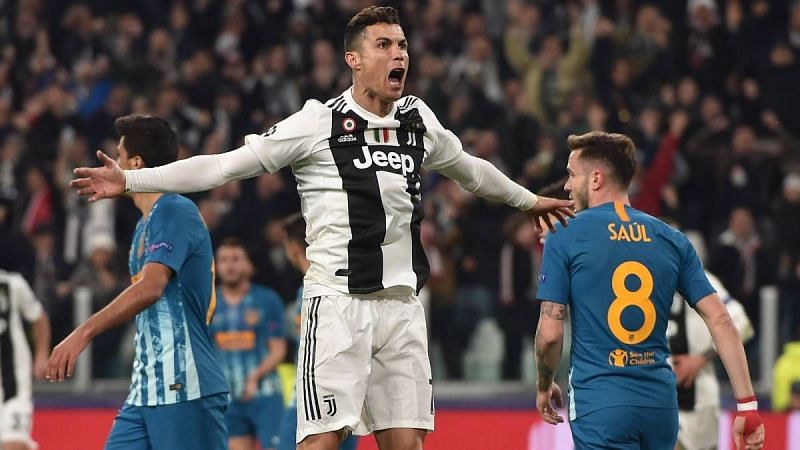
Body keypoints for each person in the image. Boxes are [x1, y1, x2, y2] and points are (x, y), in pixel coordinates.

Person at [69, 7, 574, 450]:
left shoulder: (417, 118)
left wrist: (527, 200)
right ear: (354, 59)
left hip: (402, 307)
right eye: (384, 45)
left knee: (406, 442)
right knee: (321, 442)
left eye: (402, 45)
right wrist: (132, 178)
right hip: (337, 305)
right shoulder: (318, 123)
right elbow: (222, 167)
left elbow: (469, 168)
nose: (399, 54)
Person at [533, 131, 764, 450]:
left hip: (601, 402)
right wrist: (748, 407)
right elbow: (722, 321)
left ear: (596, 178)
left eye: (572, 175)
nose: (567, 186)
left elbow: (550, 333)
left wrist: (544, 384)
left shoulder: (565, 236)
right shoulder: (672, 239)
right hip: (660, 405)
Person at [47, 114, 229, 450]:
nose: (113, 164)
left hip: (184, 386)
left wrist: (82, 332)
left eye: (118, 156)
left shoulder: (175, 209)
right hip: (146, 390)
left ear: (136, 162)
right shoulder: (144, 225)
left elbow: (151, 287)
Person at [278, 213, 357, 450]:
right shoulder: (341, 284)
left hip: (311, 395)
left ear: (292, 247)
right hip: (344, 394)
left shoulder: (314, 289)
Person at [211, 237, 287, 450]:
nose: (230, 265)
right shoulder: (210, 304)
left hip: (265, 394)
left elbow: (278, 349)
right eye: (224, 260)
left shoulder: (267, 300)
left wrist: (254, 376)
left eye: (236, 259)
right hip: (228, 398)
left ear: (248, 265)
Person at [669, 268, 754, 450]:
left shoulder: (697, 275)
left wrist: (701, 359)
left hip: (698, 400)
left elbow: (741, 323)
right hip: (655, 396)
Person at [0, 270, 50, 450]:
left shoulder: (12, 284)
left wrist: (41, 355)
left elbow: (39, 318)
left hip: (15, 386)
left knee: (14, 445)